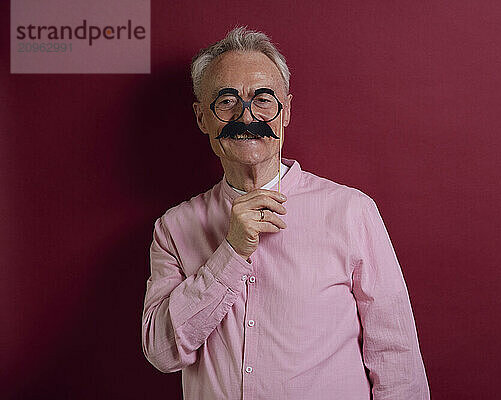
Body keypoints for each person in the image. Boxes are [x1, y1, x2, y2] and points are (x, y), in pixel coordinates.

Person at [141, 27, 430, 400]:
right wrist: (231, 252)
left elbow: (397, 358)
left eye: (263, 98)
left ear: (286, 110)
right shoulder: (172, 228)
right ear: (202, 118)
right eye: (226, 101)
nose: (246, 116)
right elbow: (163, 353)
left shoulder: (351, 211)